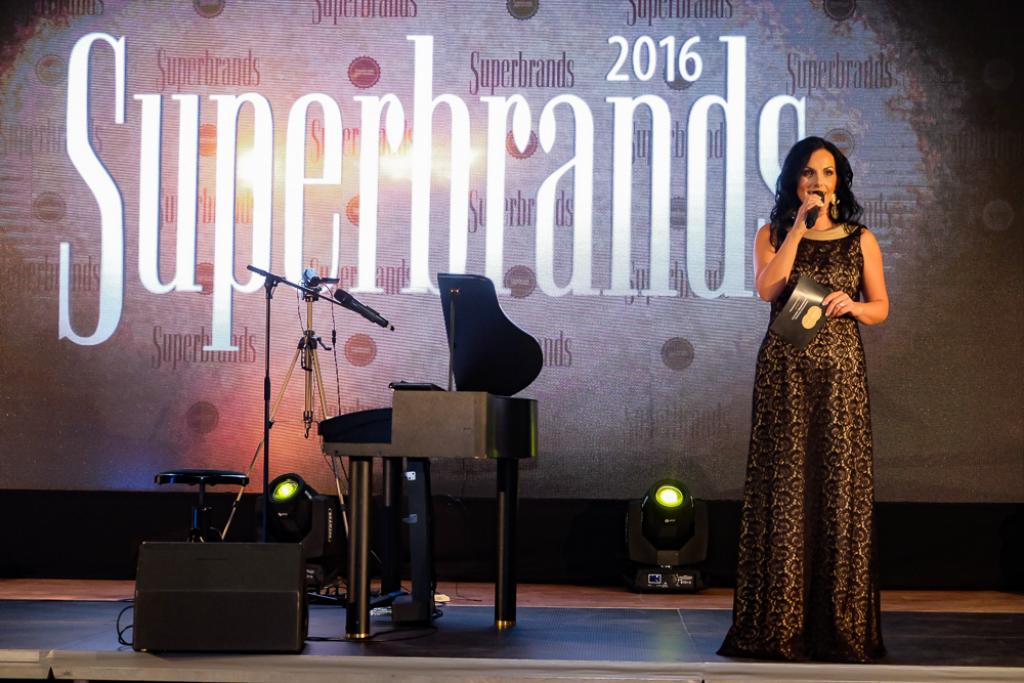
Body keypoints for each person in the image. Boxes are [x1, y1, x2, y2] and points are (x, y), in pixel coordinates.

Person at [718, 136, 889, 663]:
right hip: (785, 375)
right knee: (786, 488)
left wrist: (853, 306)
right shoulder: (772, 233)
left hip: (840, 379)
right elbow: (768, 289)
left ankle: (837, 625)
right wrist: (797, 229)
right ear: (794, 180)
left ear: (839, 182)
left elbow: (881, 306)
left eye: (828, 172)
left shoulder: (860, 239)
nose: (818, 181)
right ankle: (780, 624)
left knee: (838, 488)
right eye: (809, 172)